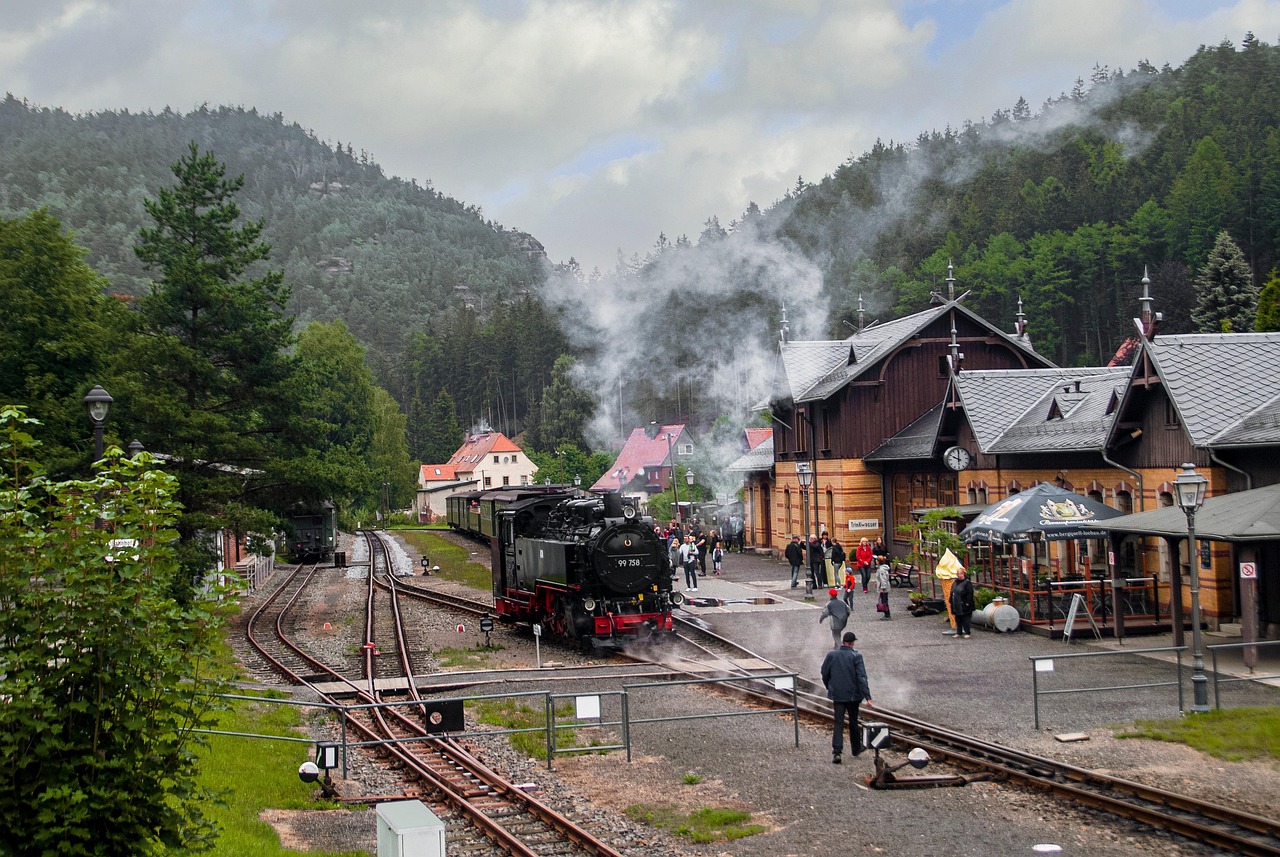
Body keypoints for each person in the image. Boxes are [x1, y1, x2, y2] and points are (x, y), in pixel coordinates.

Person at [820, 630, 872, 764]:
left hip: (838, 695)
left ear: (843, 642)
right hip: (853, 696)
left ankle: (837, 752)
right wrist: (867, 696)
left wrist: (829, 686)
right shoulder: (856, 656)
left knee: (838, 722)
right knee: (853, 721)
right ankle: (856, 748)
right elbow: (861, 677)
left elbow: (824, 672)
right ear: (853, 643)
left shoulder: (832, 655)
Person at [950, 567, 975, 638]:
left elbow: (970, 593)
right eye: (958, 573)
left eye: (961, 573)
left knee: (966, 619)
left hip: (965, 604)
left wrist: (968, 602)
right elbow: (952, 592)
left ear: (964, 574)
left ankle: (967, 632)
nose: (959, 575)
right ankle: (958, 632)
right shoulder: (955, 582)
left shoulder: (967, 582)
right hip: (956, 604)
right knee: (958, 619)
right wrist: (950, 601)